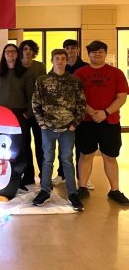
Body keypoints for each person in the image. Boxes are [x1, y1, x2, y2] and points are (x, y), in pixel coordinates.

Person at [74, 40, 129, 206]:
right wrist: (91, 112)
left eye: (100, 51)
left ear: (105, 53)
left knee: (110, 157)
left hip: (110, 121)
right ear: (88, 54)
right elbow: (76, 97)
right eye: (93, 52)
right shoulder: (80, 73)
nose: (97, 54)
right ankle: (82, 188)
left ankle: (115, 190)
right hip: (86, 122)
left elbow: (122, 96)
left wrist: (105, 113)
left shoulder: (116, 73)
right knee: (85, 155)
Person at [32, 49, 86, 211]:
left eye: (63, 59)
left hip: (68, 128)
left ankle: (72, 193)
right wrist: (41, 123)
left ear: (66, 61)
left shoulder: (75, 81)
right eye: (57, 58)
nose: (60, 61)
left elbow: (81, 105)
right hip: (47, 127)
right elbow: (36, 103)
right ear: (52, 60)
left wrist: (74, 124)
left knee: (67, 161)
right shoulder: (42, 80)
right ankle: (44, 191)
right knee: (47, 160)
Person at [0, 43, 33, 187]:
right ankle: (4, 176)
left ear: (17, 54)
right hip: (1, 116)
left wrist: (27, 113)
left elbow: (31, 95)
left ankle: (24, 177)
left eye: (13, 51)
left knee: (21, 146)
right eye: (8, 52)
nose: (11, 54)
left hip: (19, 115)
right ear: (4, 54)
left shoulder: (24, 73)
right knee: (3, 148)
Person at [53, 39, 89, 186]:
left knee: (81, 147)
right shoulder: (60, 67)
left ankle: (82, 178)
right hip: (63, 116)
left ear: (78, 50)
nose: (70, 50)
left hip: (81, 115)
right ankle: (62, 174)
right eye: (67, 48)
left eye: (73, 48)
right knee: (64, 148)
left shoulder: (86, 67)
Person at [19, 40, 46, 185]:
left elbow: (42, 89)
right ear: (21, 51)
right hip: (21, 113)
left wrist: (34, 110)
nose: (28, 51)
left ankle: (44, 175)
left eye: (30, 49)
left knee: (41, 144)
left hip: (38, 112)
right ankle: (28, 175)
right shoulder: (17, 67)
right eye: (25, 49)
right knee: (24, 145)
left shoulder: (40, 66)